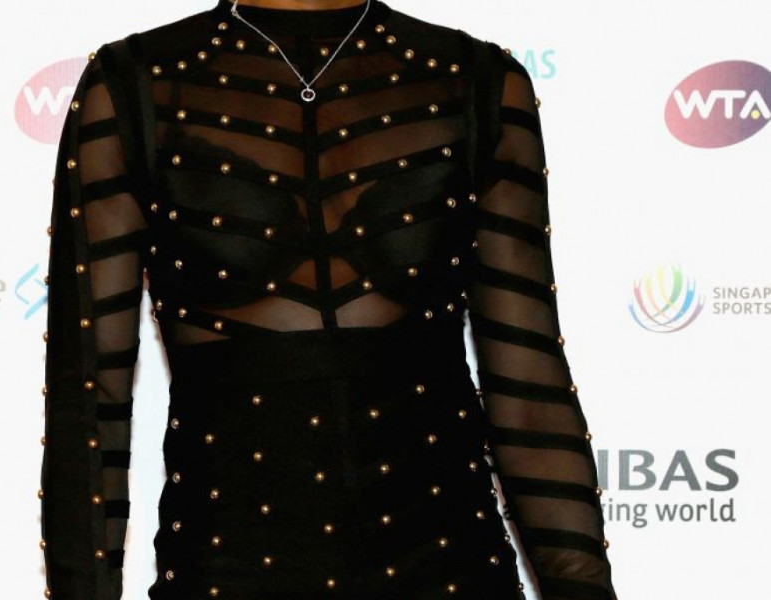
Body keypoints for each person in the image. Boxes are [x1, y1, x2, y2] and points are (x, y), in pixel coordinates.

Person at [38, 0, 619, 599]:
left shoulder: (477, 81)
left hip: (452, 569)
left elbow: (529, 390)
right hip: (227, 570)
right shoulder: (135, 84)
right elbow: (89, 397)